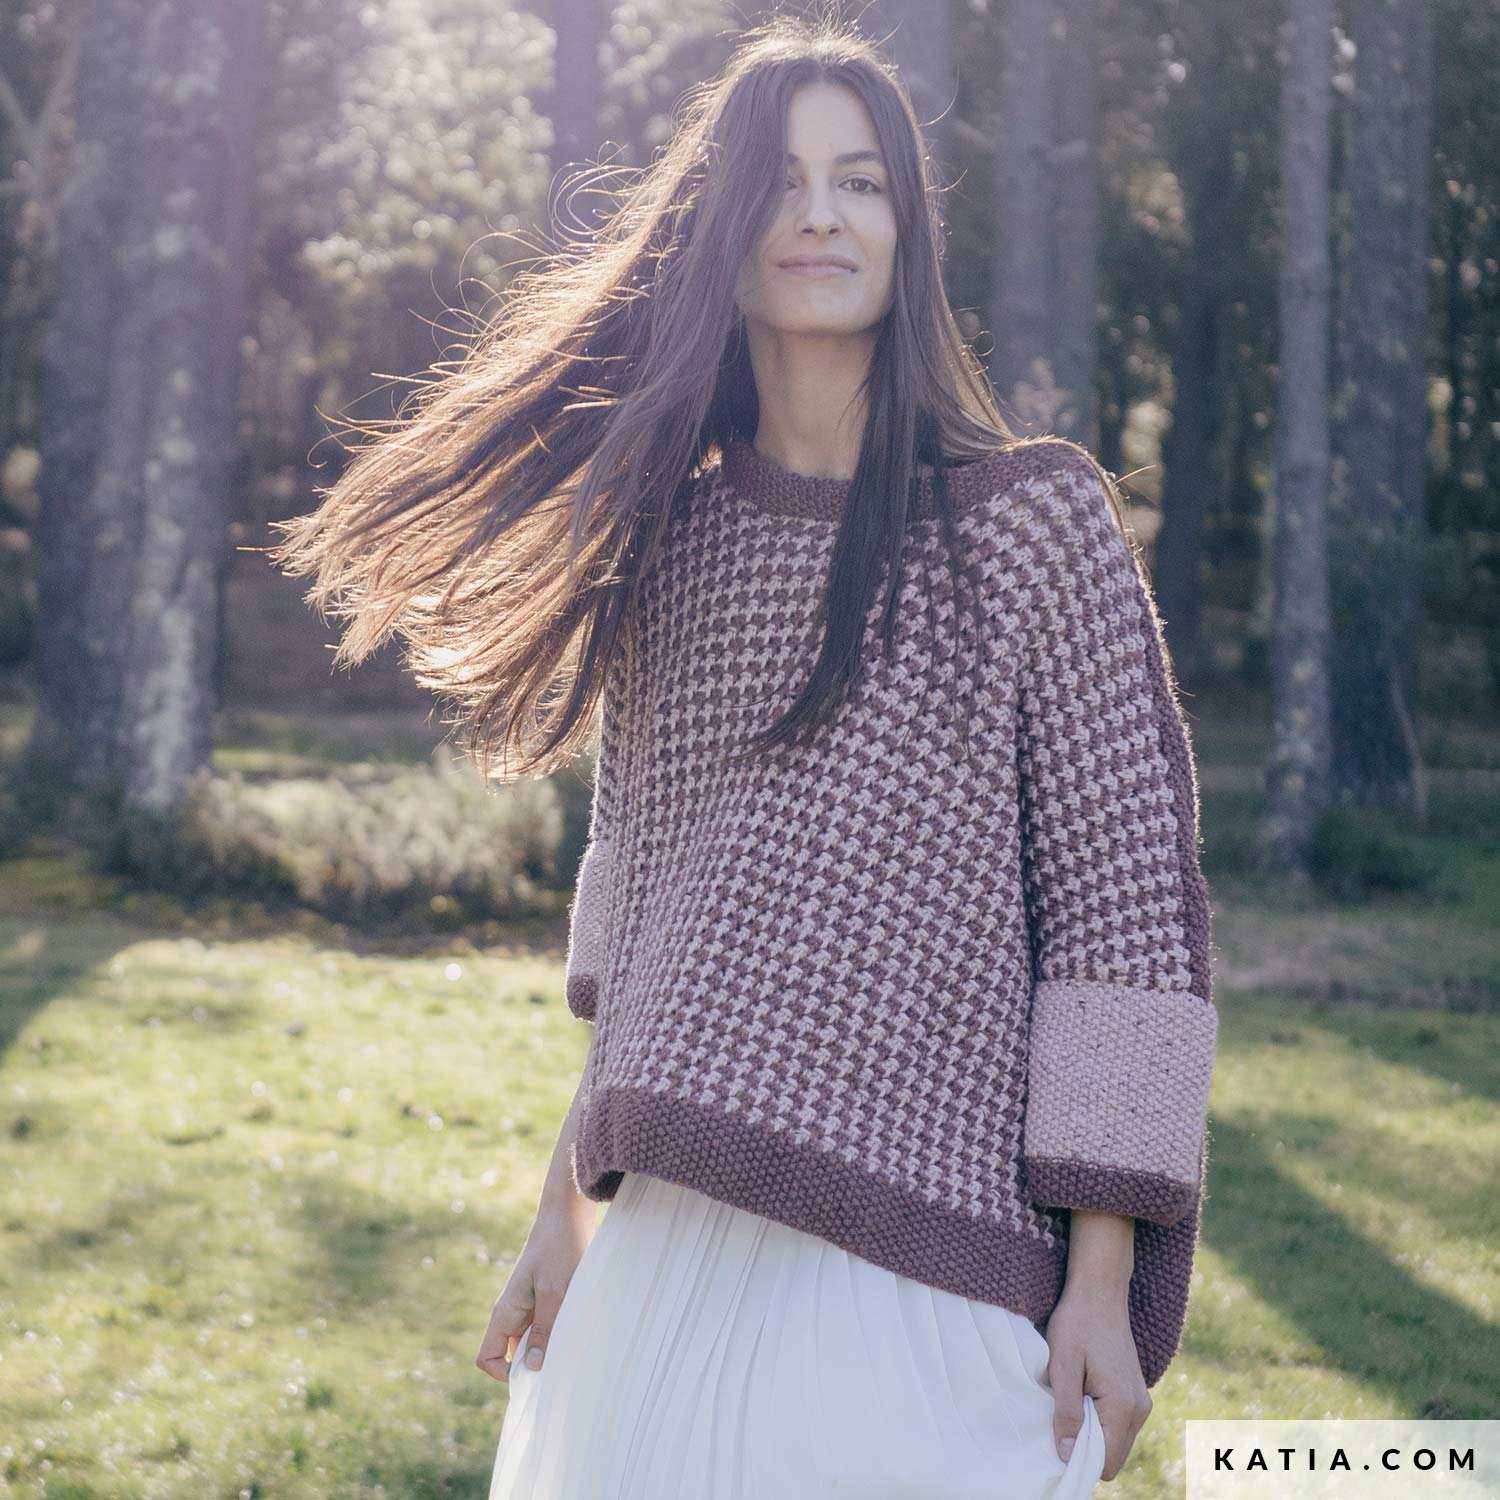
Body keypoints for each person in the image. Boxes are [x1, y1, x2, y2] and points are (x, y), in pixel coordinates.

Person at [268, 13, 1216, 1499]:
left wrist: (1102, 1280)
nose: (820, 214)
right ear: (721, 227)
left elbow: (1125, 930)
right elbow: (641, 917)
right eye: (780, 179)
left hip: (926, 1265)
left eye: (861, 181)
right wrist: (561, 1215)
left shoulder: (1036, 528)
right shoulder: (676, 544)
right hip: (667, 1244)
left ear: (908, 231)